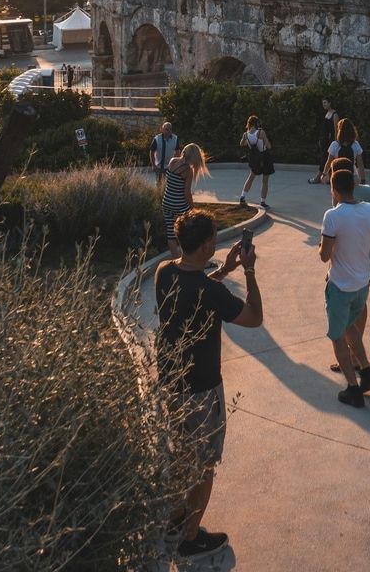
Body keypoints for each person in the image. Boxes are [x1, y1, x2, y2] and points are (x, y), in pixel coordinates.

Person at [156, 209, 263, 559]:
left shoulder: (164, 273)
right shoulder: (209, 292)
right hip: (202, 392)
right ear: (204, 246)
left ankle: (173, 520)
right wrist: (247, 269)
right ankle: (189, 540)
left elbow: (194, 287)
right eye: (214, 237)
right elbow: (253, 317)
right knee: (203, 468)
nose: (218, 241)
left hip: (171, 386)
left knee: (181, 456)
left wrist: (225, 269)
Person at [319, 167, 370, 407]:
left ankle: (352, 389)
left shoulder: (332, 216)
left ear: (334, 190)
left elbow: (324, 255)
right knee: (351, 328)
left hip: (340, 286)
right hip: (362, 284)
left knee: (338, 337)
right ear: (354, 186)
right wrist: (360, 242)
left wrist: (331, 243)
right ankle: (367, 373)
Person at [327, 158, 370, 375]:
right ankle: (358, 352)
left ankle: (349, 358)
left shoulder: (338, 201)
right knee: (360, 302)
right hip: (369, 258)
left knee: (342, 310)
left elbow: (337, 237)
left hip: (347, 261)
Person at [162, 143, 210, 256]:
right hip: (179, 205)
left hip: (167, 202)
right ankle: (196, 260)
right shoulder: (188, 170)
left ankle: (177, 261)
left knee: (171, 235)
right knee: (191, 232)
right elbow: (187, 193)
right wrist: (193, 209)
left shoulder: (173, 161)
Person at [238, 115, 274, 210]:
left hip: (254, 159)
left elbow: (241, 144)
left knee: (251, 178)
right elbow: (269, 146)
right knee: (265, 181)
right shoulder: (261, 132)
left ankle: (242, 196)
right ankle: (262, 202)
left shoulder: (245, 134)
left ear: (249, 124)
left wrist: (249, 142)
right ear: (257, 123)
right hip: (264, 158)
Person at [320, 116, 365, 184]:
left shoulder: (334, 144)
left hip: (337, 176)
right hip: (351, 176)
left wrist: (324, 174)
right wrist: (363, 180)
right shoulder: (356, 145)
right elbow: (360, 164)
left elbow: (329, 162)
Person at [308, 96, 339, 184]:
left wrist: (336, 142)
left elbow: (336, 130)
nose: (324, 104)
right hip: (324, 140)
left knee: (325, 159)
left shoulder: (335, 114)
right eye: (323, 103)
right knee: (325, 159)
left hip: (331, 141)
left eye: (325, 102)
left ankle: (318, 178)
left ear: (330, 103)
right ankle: (328, 178)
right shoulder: (327, 113)